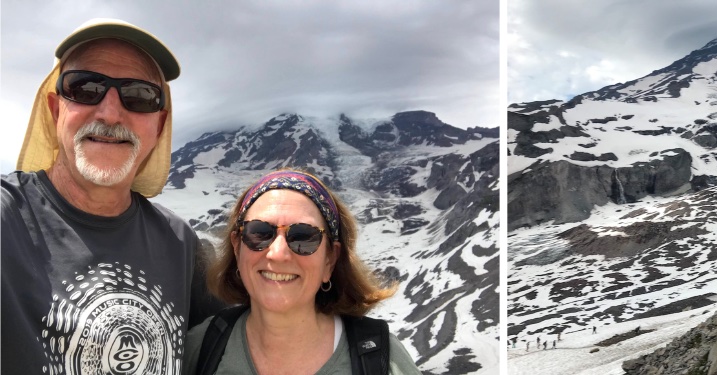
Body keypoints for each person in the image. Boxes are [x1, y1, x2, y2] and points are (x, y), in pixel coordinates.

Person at [1, 19, 221, 374]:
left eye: (139, 95)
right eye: (86, 88)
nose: (110, 113)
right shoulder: (6, 219)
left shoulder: (180, 243)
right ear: (57, 110)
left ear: (159, 125)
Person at [182, 169, 421, 374]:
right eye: (259, 232)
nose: (278, 253)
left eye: (303, 237)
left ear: (330, 259)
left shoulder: (380, 359)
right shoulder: (201, 348)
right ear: (237, 247)